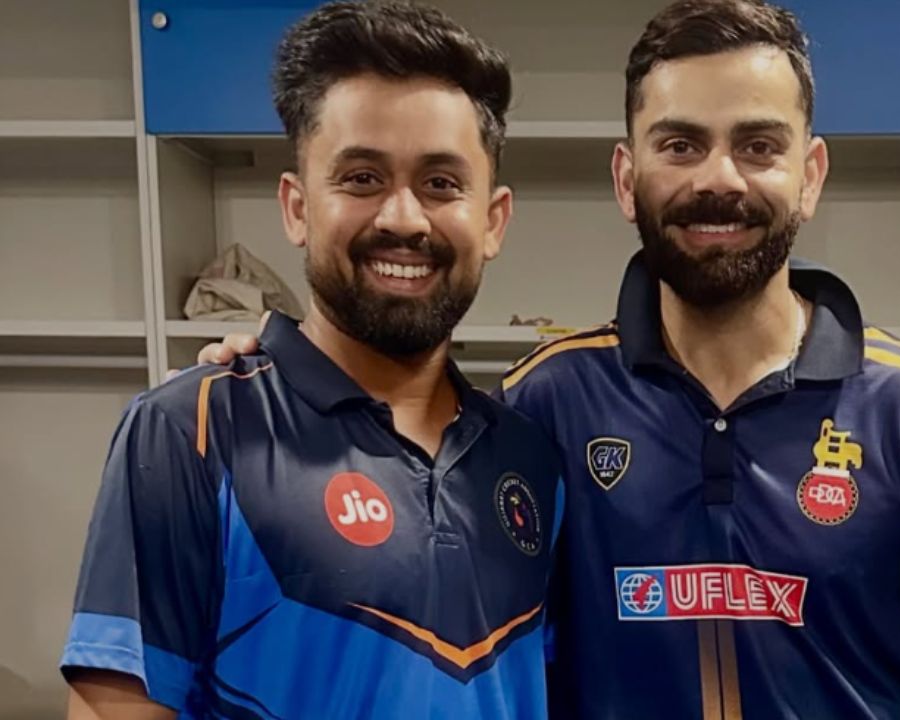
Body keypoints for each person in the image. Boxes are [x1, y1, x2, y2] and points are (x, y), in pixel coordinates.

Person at [196, 1, 900, 717]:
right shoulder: (543, 405)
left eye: (758, 145)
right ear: (627, 178)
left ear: (810, 174)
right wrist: (277, 377)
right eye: (680, 145)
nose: (719, 179)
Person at [61, 2, 562, 718]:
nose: (402, 218)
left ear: (492, 220)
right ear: (297, 208)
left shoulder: (531, 457)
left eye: (441, 184)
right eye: (361, 178)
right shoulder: (188, 432)